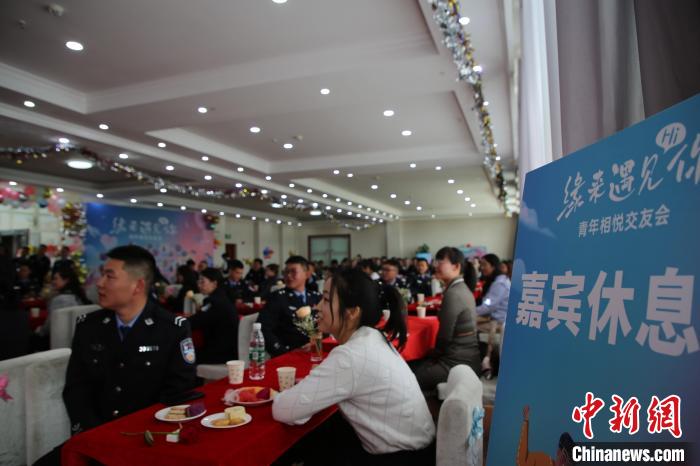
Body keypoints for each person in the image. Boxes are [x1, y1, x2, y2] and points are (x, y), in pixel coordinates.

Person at [35, 245, 197, 466]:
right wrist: (95, 435)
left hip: (145, 442)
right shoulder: (89, 327)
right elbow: (76, 388)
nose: (100, 283)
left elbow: (178, 393)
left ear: (138, 285)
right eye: (102, 275)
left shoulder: (171, 329)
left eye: (109, 276)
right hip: (94, 438)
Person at [272, 268, 435, 466]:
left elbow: (283, 410)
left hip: (402, 458)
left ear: (352, 312)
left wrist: (289, 394)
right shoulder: (373, 336)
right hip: (419, 447)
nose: (317, 306)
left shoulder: (351, 355)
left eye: (326, 300)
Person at [410, 247, 480, 391]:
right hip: (467, 357)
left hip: (457, 362)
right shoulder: (461, 288)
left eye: (441, 262)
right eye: (436, 261)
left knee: (410, 376)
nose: (435, 265)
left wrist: (431, 355)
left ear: (456, 266)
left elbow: (444, 338)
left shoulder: (454, 293)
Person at [257, 255, 321, 356]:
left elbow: (326, 325)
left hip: (315, 352)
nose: (288, 276)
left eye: (293, 272)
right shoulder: (277, 297)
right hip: (289, 353)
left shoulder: (316, 297)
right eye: (286, 272)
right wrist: (282, 351)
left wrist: (318, 342)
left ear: (307, 274)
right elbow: (263, 328)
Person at [189, 268, 239, 363]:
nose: (199, 285)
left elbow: (194, 323)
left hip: (221, 354)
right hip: (231, 350)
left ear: (214, 283)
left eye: (202, 282)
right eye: (198, 281)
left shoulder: (213, 302)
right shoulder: (223, 297)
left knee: (182, 355)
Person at [476, 253, 511, 377]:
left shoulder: (499, 283)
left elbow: (489, 306)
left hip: (498, 321)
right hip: (495, 317)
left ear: (493, 266)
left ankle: (485, 361)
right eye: (481, 264)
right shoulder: (499, 280)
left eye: (484, 264)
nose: (482, 267)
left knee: (467, 322)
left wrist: (471, 311)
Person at [35, 265, 91, 337]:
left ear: (66, 280)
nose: (53, 282)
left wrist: (40, 331)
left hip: (62, 338)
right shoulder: (78, 295)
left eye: (56, 279)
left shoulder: (59, 300)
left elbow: (49, 325)